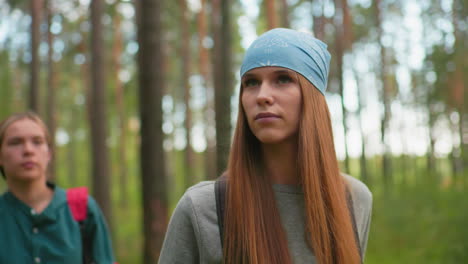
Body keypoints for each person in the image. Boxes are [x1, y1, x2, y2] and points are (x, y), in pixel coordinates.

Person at [158, 28, 372, 264]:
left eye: (282, 79)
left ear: (312, 97)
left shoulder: (353, 199)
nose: (262, 95)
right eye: (251, 82)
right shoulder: (202, 207)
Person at [0, 112, 116, 264]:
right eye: (15, 142)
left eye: (37, 142)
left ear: (48, 153)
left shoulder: (82, 208)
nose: (28, 150)